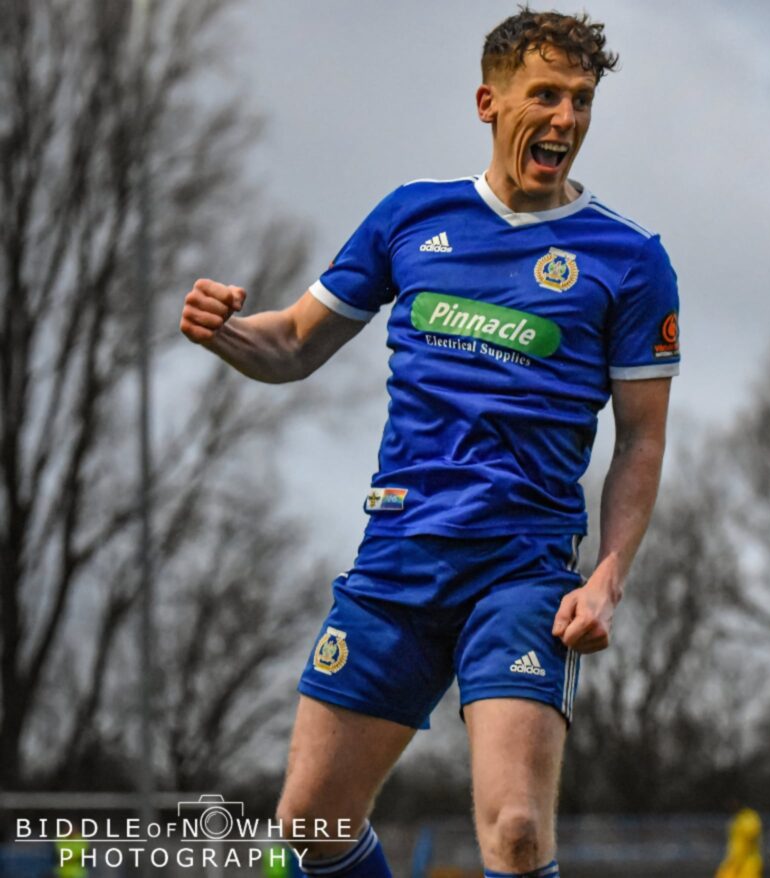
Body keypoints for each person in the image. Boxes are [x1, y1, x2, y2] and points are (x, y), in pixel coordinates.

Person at [179, 9, 679, 878]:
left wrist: (607, 577)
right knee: (309, 825)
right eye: (547, 96)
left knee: (517, 831)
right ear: (490, 102)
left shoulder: (630, 259)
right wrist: (224, 331)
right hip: (398, 563)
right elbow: (294, 343)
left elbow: (640, 439)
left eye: (583, 101)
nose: (566, 119)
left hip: (523, 573)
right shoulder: (411, 218)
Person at [715, 808, 764, 878]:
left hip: (744, 866)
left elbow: (738, 851)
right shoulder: (745, 819)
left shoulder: (745, 819)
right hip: (743, 866)